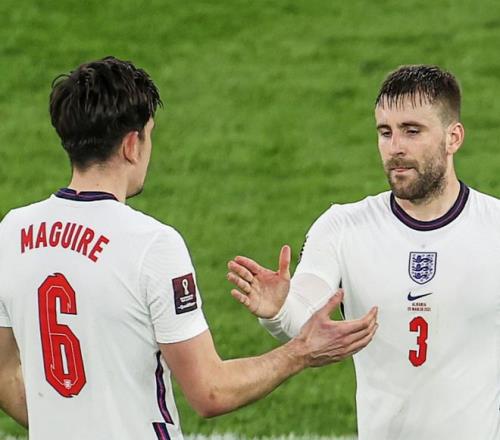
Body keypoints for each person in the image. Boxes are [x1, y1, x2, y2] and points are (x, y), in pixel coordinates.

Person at [0, 56, 378, 440]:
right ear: (131, 144)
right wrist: (301, 351)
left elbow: (2, 373)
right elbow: (210, 391)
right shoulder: (152, 245)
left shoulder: (12, 232)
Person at [227, 64, 500, 440]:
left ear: (453, 138)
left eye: (412, 131)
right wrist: (278, 309)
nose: (395, 147)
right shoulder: (342, 227)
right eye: (385, 132)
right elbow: (306, 314)